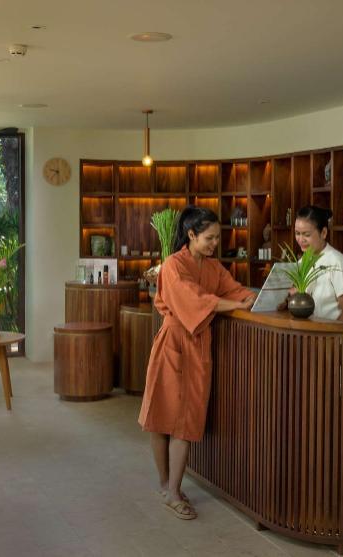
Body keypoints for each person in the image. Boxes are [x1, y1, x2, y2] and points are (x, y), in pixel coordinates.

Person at [138, 205, 255, 520]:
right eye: (209, 238)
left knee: (186, 421)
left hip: (198, 346)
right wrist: (231, 303)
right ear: (191, 235)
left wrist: (251, 297)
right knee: (162, 415)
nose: (215, 243)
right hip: (173, 344)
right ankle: (168, 487)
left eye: (217, 237)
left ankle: (172, 489)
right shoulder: (173, 266)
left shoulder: (214, 267)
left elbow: (234, 290)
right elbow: (194, 299)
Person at [291, 205, 343, 363]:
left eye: (306, 234)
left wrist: (330, 341)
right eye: (297, 233)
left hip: (342, 344)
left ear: (323, 233)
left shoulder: (337, 262)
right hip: (318, 341)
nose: (300, 240)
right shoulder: (302, 262)